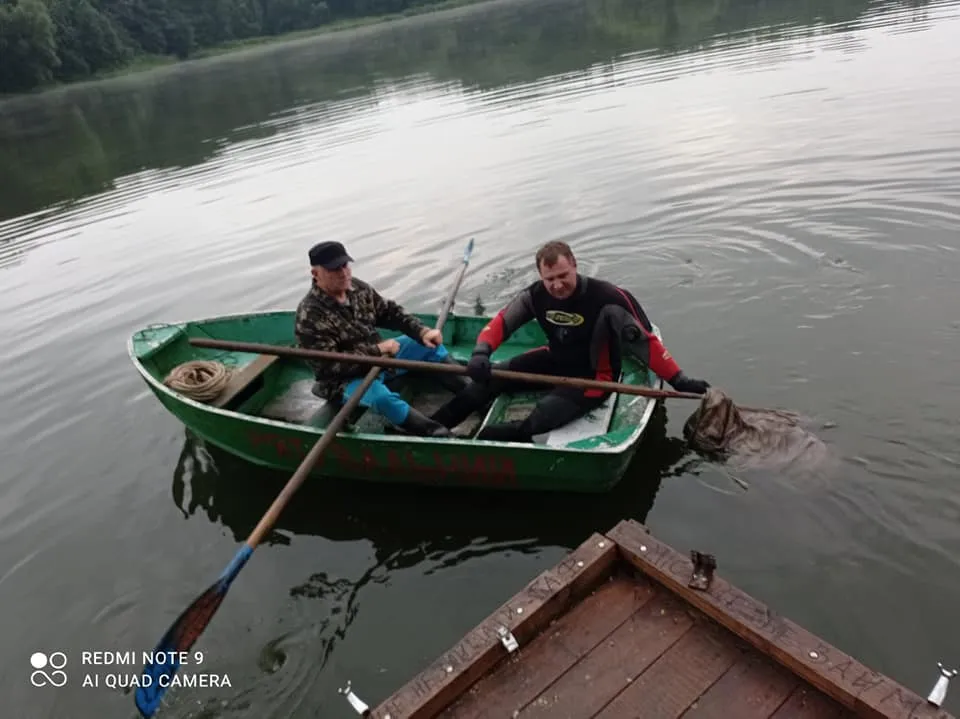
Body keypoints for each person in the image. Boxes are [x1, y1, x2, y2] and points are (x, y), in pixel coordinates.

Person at [429, 241, 710, 442]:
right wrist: (481, 351)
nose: (557, 284)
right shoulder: (535, 295)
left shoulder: (607, 300)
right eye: (550, 278)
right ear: (541, 275)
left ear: (575, 266)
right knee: (486, 380)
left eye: (563, 276)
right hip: (553, 360)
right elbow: (502, 322)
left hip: (593, 377)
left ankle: (504, 437)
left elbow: (645, 344)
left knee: (543, 414)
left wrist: (680, 380)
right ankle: (429, 427)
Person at [295, 240, 468, 437]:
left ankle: (472, 395)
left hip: (382, 360)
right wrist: (377, 351)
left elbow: (390, 312)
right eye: (334, 269)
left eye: (345, 265)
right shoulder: (309, 316)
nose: (343, 273)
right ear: (315, 274)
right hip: (344, 381)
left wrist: (421, 332)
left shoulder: (357, 289)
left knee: (429, 346)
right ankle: (436, 432)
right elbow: (329, 366)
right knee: (382, 399)